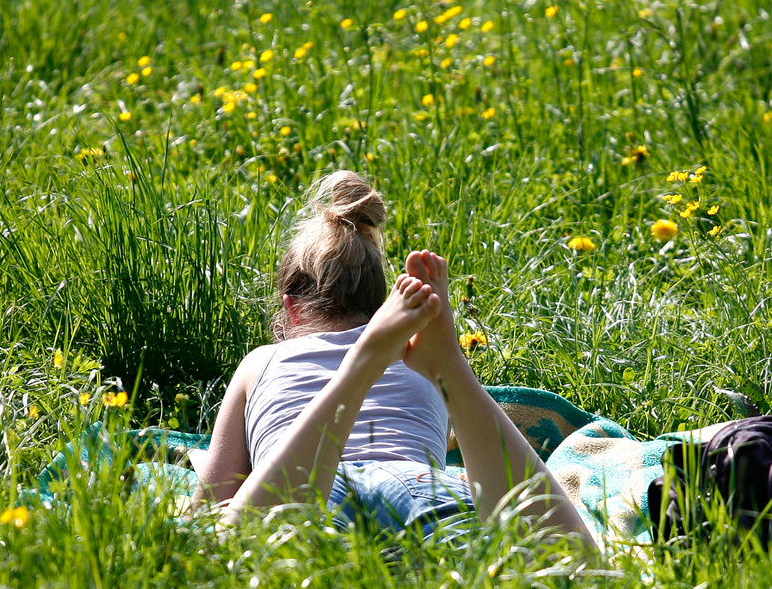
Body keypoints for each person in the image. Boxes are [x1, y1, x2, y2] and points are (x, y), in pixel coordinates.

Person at [192, 170, 598, 554]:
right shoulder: (413, 358)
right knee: (570, 561)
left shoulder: (263, 361)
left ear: (291, 310)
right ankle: (450, 365)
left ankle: (361, 366)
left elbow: (208, 505)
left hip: (305, 491)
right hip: (419, 485)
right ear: (379, 308)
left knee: (216, 547)